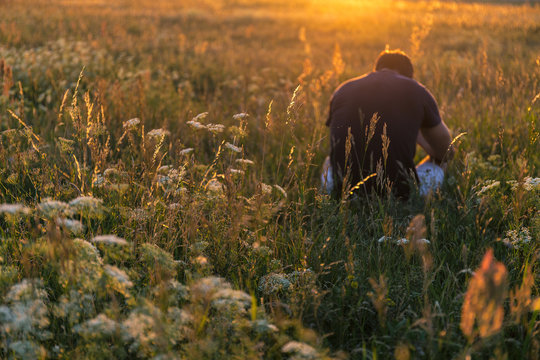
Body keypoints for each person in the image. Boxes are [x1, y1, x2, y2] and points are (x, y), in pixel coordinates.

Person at [322, 49, 453, 199]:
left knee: (328, 160)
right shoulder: (417, 90)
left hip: (343, 192)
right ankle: (415, 201)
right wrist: (416, 131)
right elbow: (446, 153)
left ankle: (333, 195)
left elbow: (337, 142)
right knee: (439, 162)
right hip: (399, 195)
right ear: (409, 76)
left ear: (375, 70)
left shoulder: (342, 89)